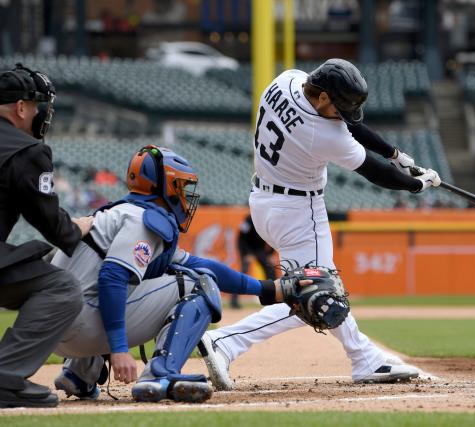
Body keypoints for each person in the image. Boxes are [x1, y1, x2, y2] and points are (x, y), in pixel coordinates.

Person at [201, 58, 441, 390]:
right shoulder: (322, 133)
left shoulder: (287, 80)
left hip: (263, 201)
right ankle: (226, 341)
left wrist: (394, 153)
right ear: (325, 97)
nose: (342, 115)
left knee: (320, 292)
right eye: (338, 107)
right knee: (314, 294)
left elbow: (348, 123)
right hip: (299, 211)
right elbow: (374, 171)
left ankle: (364, 357)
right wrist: (417, 184)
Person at [51, 145, 309, 403]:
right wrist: (119, 350)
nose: (185, 195)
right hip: (83, 324)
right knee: (199, 284)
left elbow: (201, 263)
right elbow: (112, 278)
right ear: (165, 187)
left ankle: (80, 373)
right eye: (181, 186)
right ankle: (160, 374)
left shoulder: (117, 213)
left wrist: (268, 289)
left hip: (54, 330)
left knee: (181, 275)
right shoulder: (144, 221)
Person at [0, 64, 94, 408]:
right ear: (21, 108)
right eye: (36, 106)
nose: (39, 114)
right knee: (62, 287)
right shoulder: (25, 149)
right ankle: (4, 376)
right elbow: (54, 227)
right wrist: (78, 227)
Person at [232, 214, 276, 308]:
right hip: (247, 249)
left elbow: (272, 237)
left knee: (271, 270)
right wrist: (246, 254)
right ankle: (234, 301)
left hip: (260, 250)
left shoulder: (267, 218)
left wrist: (270, 254)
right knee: (242, 274)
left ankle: (273, 300)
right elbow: (241, 238)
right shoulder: (248, 219)